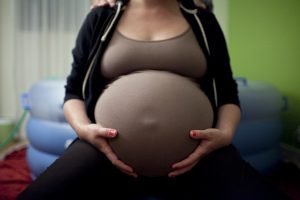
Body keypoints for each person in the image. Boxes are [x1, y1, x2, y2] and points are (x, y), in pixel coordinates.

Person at [18, 0, 291, 199]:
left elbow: (228, 92)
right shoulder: (101, 17)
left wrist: (225, 135)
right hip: (102, 153)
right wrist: (84, 131)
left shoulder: (202, 19)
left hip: (199, 156)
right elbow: (74, 90)